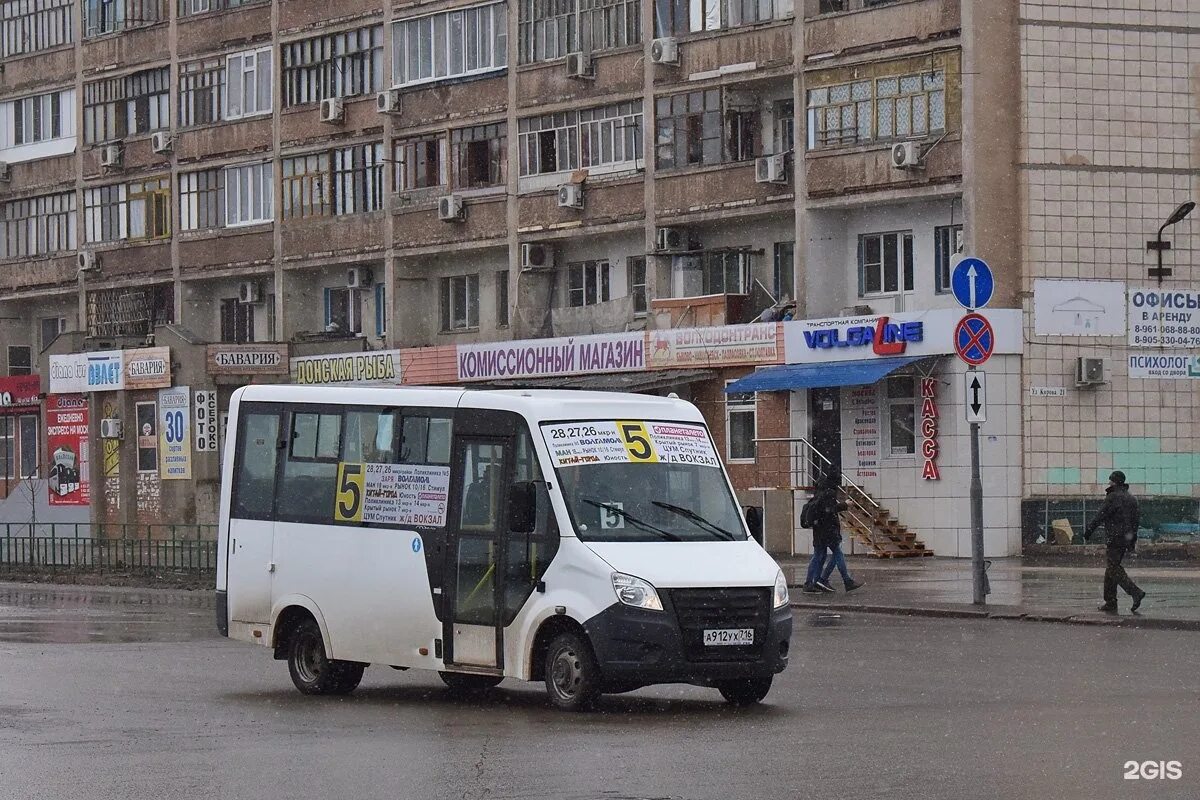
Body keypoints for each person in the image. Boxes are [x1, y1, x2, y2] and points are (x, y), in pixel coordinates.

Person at [1084, 471, 1146, 613]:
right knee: (1111, 568)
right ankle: (1110, 602)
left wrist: (1089, 530)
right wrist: (1132, 540)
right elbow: (1136, 522)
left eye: (1110, 481)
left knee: (1113, 568)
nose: (1109, 483)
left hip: (1115, 537)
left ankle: (1135, 592)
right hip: (1126, 538)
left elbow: (1100, 515)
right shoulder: (1131, 498)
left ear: (1115, 482)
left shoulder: (1113, 497)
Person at [802, 471, 856, 593]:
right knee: (835, 553)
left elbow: (825, 510)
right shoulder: (828, 493)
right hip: (827, 530)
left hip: (821, 529)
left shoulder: (820, 492)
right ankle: (843, 580)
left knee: (820, 556)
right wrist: (845, 505)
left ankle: (814, 582)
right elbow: (829, 510)